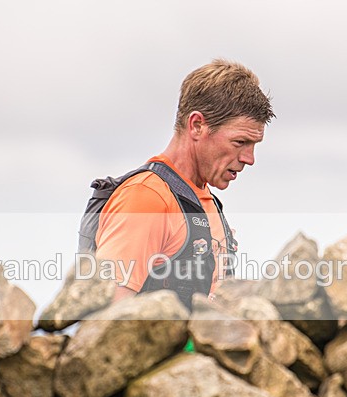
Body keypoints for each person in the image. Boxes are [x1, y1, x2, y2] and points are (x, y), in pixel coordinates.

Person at [94, 59, 274, 307]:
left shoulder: (204, 200)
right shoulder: (146, 197)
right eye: (240, 142)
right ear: (197, 125)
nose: (249, 159)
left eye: (254, 146)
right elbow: (106, 318)